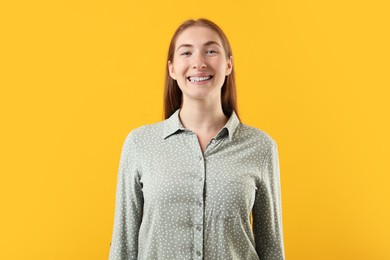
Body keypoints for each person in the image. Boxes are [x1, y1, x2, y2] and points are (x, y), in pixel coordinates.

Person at [109, 18, 285, 260]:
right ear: (172, 68)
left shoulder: (261, 147)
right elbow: (123, 246)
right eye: (186, 52)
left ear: (228, 65)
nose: (199, 63)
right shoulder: (140, 144)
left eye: (211, 51)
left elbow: (272, 249)